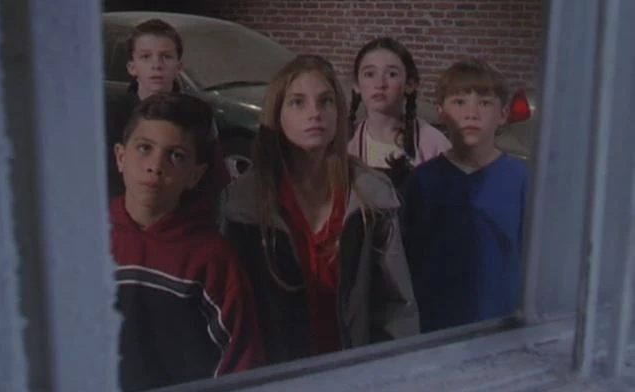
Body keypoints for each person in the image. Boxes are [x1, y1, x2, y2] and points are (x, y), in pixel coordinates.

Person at [222, 54, 419, 365]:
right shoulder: (244, 204)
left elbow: (396, 305)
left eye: (325, 101)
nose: (315, 113)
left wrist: (394, 374)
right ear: (277, 115)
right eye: (298, 103)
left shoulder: (371, 196)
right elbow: (233, 311)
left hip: (352, 371)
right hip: (275, 373)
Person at [110, 93, 263, 391]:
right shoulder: (88, 241)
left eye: (176, 155)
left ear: (195, 175)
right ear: (120, 157)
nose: (155, 166)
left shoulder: (212, 260)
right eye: (144, 148)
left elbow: (241, 363)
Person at [401, 59, 528, 333]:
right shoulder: (421, 182)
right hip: (432, 328)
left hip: (501, 327)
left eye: (484, 103)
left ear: (503, 114)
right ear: (441, 112)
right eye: (459, 102)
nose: (472, 113)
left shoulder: (523, 181)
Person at [106, 18, 231, 202]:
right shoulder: (112, 116)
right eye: (146, 56)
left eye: (166, 57)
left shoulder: (198, 115)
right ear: (132, 67)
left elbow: (215, 179)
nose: (156, 65)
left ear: (179, 66)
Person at [348, 37, 450, 188]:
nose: (380, 84)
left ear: (409, 85)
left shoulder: (433, 143)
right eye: (369, 74)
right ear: (357, 85)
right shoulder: (347, 145)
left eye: (392, 74)